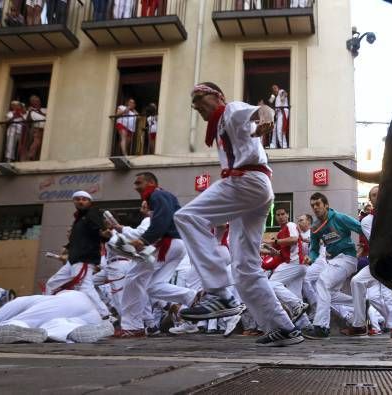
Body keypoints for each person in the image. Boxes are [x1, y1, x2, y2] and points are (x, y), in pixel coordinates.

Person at [175, 82, 303, 347]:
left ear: (217, 96)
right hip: (254, 189)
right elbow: (251, 127)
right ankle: (284, 328)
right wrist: (259, 127)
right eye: (193, 101)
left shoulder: (230, 109)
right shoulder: (225, 125)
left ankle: (219, 294)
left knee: (187, 217)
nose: (195, 104)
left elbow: (262, 110)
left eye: (199, 97)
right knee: (244, 269)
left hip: (246, 182)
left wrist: (266, 117)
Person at [116, 173, 200, 338]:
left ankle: (132, 327)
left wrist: (144, 240)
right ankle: (193, 296)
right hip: (176, 246)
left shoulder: (157, 194)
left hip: (167, 245)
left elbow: (163, 218)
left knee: (133, 278)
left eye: (139, 182)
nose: (136, 187)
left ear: (151, 183)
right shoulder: (163, 196)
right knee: (152, 287)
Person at [300, 192, 363, 340]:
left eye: (318, 204)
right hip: (333, 261)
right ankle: (359, 302)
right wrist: (311, 258)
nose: (315, 208)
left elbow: (360, 228)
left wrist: (367, 248)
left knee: (322, 282)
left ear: (326, 205)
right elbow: (314, 249)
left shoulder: (340, 218)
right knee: (329, 294)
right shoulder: (315, 227)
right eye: (312, 205)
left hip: (347, 258)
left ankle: (321, 327)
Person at [0, 290, 113, 344]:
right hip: (90, 315)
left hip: (68, 300)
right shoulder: (49, 300)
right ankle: (72, 331)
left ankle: (17, 325)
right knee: (55, 325)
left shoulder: (30, 300)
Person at [342, 185, 392, 338]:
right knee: (357, 282)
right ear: (371, 200)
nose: (377, 196)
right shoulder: (367, 221)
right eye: (373, 195)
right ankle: (360, 324)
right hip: (376, 262)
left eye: (379, 193)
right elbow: (379, 241)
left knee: (388, 294)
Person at [43, 191, 110, 319]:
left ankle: (105, 315)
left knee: (85, 287)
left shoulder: (92, 212)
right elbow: (79, 237)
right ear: (74, 202)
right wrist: (67, 247)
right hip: (74, 260)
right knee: (52, 284)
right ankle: (49, 313)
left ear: (90, 202)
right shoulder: (79, 219)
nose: (80, 201)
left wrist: (102, 233)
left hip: (84, 258)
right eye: (78, 199)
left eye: (84, 199)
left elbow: (97, 229)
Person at [25, 95, 46, 161]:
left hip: (46, 129)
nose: (36, 102)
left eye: (37, 101)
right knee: (36, 142)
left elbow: (47, 116)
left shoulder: (45, 109)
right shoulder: (30, 111)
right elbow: (28, 121)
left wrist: (39, 111)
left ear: (39, 101)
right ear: (31, 103)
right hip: (37, 129)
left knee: (42, 145)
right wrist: (30, 112)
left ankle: (37, 158)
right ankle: (30, 156)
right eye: (33, 101)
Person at [268, 84, 289, 149]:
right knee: (274, 129)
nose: (274, 89)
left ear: (277, 88)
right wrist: (272, 99)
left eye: (275, 88)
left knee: (280, 129)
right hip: (278, 115)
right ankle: (273, 145)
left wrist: (282, 98)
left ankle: (284, 145)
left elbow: (285, 93)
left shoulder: (281, 91)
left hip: (282, 113)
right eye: (273, 89)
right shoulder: (275, 97)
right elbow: (270, 102)